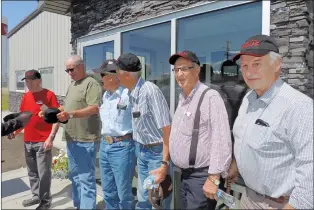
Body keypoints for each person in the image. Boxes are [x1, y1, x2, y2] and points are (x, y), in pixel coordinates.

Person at [228, 34, 313, 209]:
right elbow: (243, 137)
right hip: (248, 197)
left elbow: (310, 168)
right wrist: (236, 166)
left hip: (279, 204)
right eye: (244, 65)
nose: (249, 71)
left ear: (276, 64)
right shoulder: (249, 98)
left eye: (256, 64)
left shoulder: (298, 106)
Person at [168, 51, 232, 210]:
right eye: (176, 70)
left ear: (197, 70)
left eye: (184, 69)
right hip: (183, 176)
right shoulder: (182, 98)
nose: (179, 74)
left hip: (202, 178)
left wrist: (214, 178)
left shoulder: (210, 97)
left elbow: (222, 139)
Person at [115, 53, 172, 209]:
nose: (116, 77)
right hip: (142, 151)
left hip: (156, 153)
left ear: (125, 74)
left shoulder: (150, 91)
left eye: (117, 72)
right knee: (143, 199)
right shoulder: (130, 92)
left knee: (157, 202)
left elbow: (167, 130)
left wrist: (164, 164)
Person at [55, 55, 101, 210]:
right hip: (71, 138)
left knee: (86, 179)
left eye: (71, 69)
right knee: (74, 177)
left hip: (85, 139)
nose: (69, 73)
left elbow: (94, 108)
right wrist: (52, 111)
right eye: (66, 70)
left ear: (81, 66)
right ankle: (79, 206)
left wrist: (71, 114)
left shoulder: (91, 83)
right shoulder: (72, 85)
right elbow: (66, 107)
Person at [10, 70, 60, 210]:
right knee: (32, 171)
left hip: (42, 141)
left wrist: (51, 138)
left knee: (44, 172)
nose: (27, 83)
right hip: (28, 141)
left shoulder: (49, 95)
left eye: (31, 80)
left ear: (39, 80)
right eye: (26, 80)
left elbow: (57, 118)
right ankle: (36, 195)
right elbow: (21, 119)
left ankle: (45, 200)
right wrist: (15, 131)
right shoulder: (26, 96)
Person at [98, 59, 136, 209]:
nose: (100, 79)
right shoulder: (106, 96)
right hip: (105, 146)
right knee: (108, 190)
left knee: (124, 193)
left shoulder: (128, 95)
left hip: (122, 147)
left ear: (112, 77)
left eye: (102, 75)